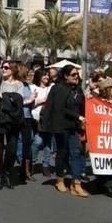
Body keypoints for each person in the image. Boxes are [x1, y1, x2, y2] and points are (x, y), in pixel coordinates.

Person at [40, 66, 88, 197]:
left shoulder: (78, 90)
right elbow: (58, 108)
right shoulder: (58, 88)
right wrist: (77, 116)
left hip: (75, 127)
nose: (76, 77)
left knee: (76, 154)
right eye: (73, 75)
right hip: (61, 126)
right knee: (62, 152)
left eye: (77, 75)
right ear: (66, 76)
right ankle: (60, 179)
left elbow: (82, 106)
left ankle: (76, 184)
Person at [0, 62, 25, 189]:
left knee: (12, 148)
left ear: (13, 70)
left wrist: (4, 96)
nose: (3, 69)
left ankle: (7, 172)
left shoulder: (19, 84)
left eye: (6, 67)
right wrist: (9, 99)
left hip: (13, 120)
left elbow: (18, 100)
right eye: (2, 67)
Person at [29, 68, 54, 177]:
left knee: (48, 143)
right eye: (44, 75)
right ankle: (32, 163)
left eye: (48, 75)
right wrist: (42, 100)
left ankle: (45, 165)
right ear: (39, 76)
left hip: (49, 119)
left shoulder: (51, 87)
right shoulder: (33, 87)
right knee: (37, 141)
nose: (47, 77)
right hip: (36, 118)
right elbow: (30, 103)